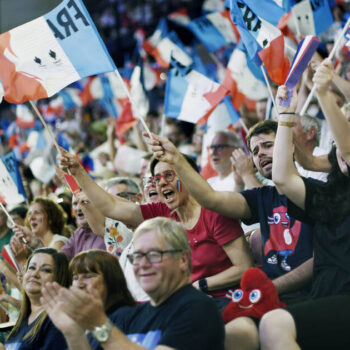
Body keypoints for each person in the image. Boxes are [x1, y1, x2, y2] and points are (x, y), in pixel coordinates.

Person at [145, 120, 314, 350]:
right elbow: (210, 199)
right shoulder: (260, 197)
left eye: (267, 145)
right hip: (267, 298)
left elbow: (320, 260)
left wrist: (267, 288)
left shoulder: (318, 191)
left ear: (289, 145)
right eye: (255, 151)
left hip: (309, 295)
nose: (261, 154)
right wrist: (175, 159)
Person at [58, 148, 253, 308]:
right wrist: (78, 172)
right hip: (181, 304)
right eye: (157, 179)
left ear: (189, 176)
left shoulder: (214, 211)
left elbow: (244, 267)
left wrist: (199, 285)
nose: (161, 183)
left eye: (169, 175)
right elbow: (111, 206)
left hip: (224, 302)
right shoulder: (162, 212)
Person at [259, 60, 350, 350]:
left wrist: (324, 92)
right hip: (324, 297)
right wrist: (285, 118)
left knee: (274, 324)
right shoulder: (328, 195)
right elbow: (283, 178)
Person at [42, 217, 225, 350]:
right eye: (137, 257)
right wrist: (73, 333)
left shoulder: (198, 308)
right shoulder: (132, 316)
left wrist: (99, 325)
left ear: (183, 260)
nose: (142, 265)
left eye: (153, 255)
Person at [4, 248, 69, 349]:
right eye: (32, 268)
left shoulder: (57, 320)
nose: (34, 274)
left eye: (45, 270)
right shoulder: (24, 319)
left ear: (59, 279)